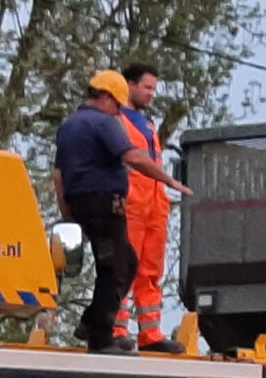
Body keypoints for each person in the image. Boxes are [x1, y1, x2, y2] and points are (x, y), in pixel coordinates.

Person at [54, 68, 179, 353]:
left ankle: (93, 322)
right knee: (116, 267)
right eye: (117, 104)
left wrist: (67, 213)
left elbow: (59, 175)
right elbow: (132, 156)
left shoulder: (70, 125)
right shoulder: (103, 122)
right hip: (105, 204)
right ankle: (100, 336)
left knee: (124, 264)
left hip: (84, 204)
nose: (118, 111)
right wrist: (167, 178)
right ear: (107, 97)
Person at [113, 60, 182, 351]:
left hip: (155, 205)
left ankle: (150, 334)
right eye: (147, 87)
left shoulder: (148, 123)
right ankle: (115, 330)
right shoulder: (116, 119)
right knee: (121, 268)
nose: (152, 94)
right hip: (131, 203)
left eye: (155, 89)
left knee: (151, 271)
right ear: (129, 85)